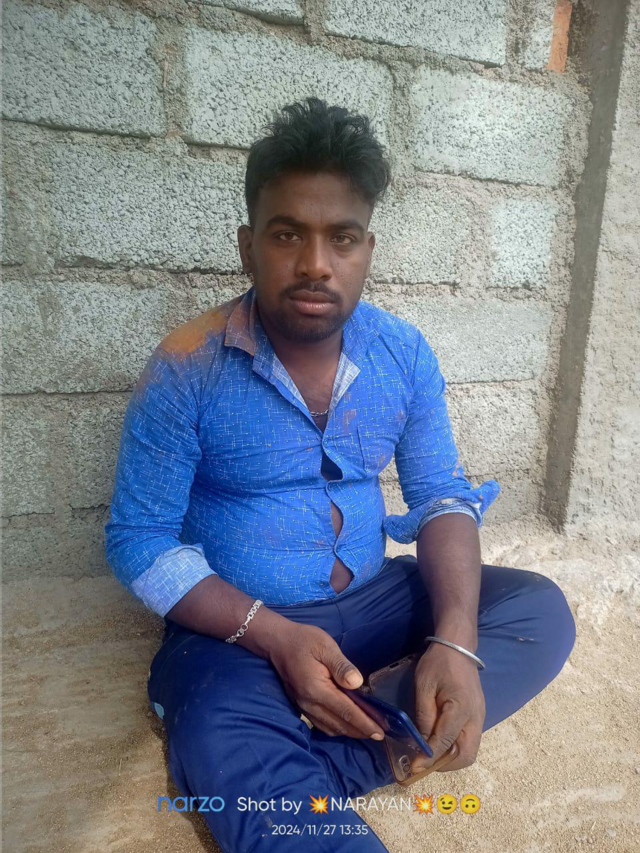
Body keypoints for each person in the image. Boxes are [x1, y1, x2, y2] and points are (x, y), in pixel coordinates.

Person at [105, 97, 576, 852]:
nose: (316, 263)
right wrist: (273, 636)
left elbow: (441, 496)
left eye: (342, 238)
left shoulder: (402, 353)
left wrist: (456, 644)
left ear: (367, 249)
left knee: (537, 611)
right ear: (248, 246)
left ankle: (309, 762)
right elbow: (140, 540)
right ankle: (316, 748)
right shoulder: (186, 364)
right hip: (242, 630)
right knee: (218, 721)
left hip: (375, 600)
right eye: (288, 234)